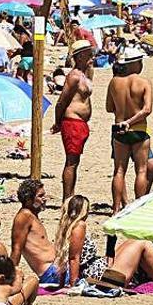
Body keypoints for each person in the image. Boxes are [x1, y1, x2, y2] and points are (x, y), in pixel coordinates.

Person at [52, 195, 153, 291]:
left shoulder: (67, 227)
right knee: (143, 242)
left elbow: (66, 258)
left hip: (96, 270)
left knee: (133, 241)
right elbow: (74, 258)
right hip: (99, 276)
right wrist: (73, 285)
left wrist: (62, 284)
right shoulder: (80, 226)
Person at [105, 47, 153, 214]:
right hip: (138, 128)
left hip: (119, 130)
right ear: (135, 64)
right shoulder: (144, 82)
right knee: (141, 169)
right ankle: (139, 207)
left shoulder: (114, 82)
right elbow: (147, 109)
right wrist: (131, 120)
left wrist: (123, 117)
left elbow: (109, 107)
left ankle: (116, 208)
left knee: (119, 170)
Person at [51, 40, 95, 201]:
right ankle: (67, 198)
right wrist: (57, 122)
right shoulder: (74, 76)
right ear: (81, 56)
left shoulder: (85, 74)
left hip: (80, 123)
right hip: (72, 121)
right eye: (89, 53)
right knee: (71, 162)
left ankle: (69, 195)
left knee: (74, 161)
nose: (92, 56)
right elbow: (62, 101)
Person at [9, 179, 61, 283]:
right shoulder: (24, 216)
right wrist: (10, 277)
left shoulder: (32, 215)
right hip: (51, 273)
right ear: (29, 199)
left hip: (56, 268)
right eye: (40, 196)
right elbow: (17, 248)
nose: (45, 199)